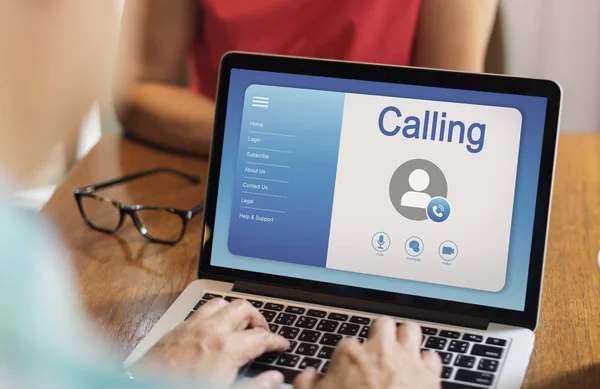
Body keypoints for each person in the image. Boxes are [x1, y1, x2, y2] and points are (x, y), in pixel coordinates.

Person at [0, 1, 443, 389]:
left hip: (389, 228)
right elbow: (139, 89)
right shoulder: (22, 270)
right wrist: (284, 139)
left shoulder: (23, 261)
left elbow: (456, 97)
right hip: (255, 206)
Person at [116, 0, 498, 156]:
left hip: (383, 181)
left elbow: (454, 114)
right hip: (227, 180)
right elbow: (140, 90)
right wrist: (279, 139)